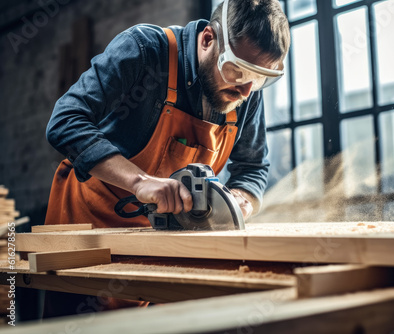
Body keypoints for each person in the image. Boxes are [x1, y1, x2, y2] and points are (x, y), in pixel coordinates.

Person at [42, 0, 290, 316]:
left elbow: (253, 167)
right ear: (207, 40)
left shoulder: (246, 92)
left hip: (168, 247)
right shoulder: (145, 50)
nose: (245, 91)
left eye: (258, 79)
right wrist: (139, 182)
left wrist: (241, 200)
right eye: (236, 70)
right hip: (90, 236)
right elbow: (65, 121)